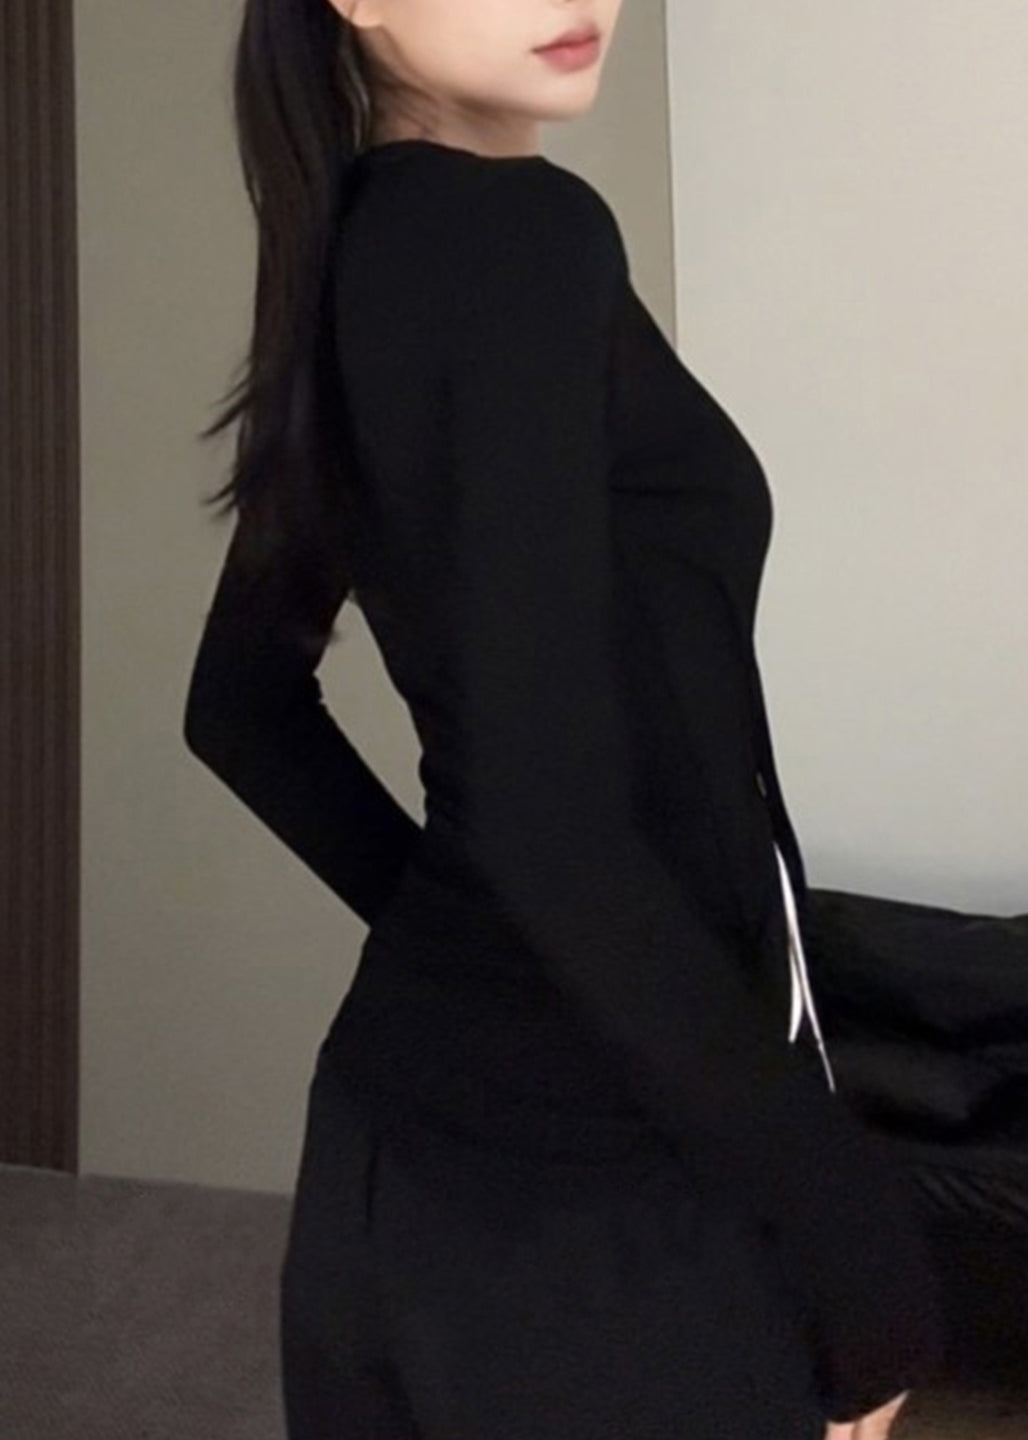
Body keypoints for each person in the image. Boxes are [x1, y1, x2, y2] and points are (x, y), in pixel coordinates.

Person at [182, 1, 946, 1436]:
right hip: (598, 1209)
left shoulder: (353, 248)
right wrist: (851, 1233)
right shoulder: (524, 238)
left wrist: (470, 932)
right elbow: (543, 827)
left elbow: (239, 710)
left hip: (388, 1176)